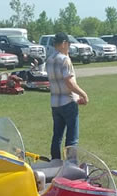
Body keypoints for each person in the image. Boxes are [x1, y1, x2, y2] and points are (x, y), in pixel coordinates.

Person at [45, 32, 89, 160]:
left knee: (57, 137)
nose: (69, 46)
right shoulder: (65, 60)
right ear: (64, 43)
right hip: (68, 102)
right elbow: (69, 82)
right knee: (72, 139)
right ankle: (70, 167)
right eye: (68, 44)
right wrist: (83, 94)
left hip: (55, 103)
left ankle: (55, 163)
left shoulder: (49, 59)